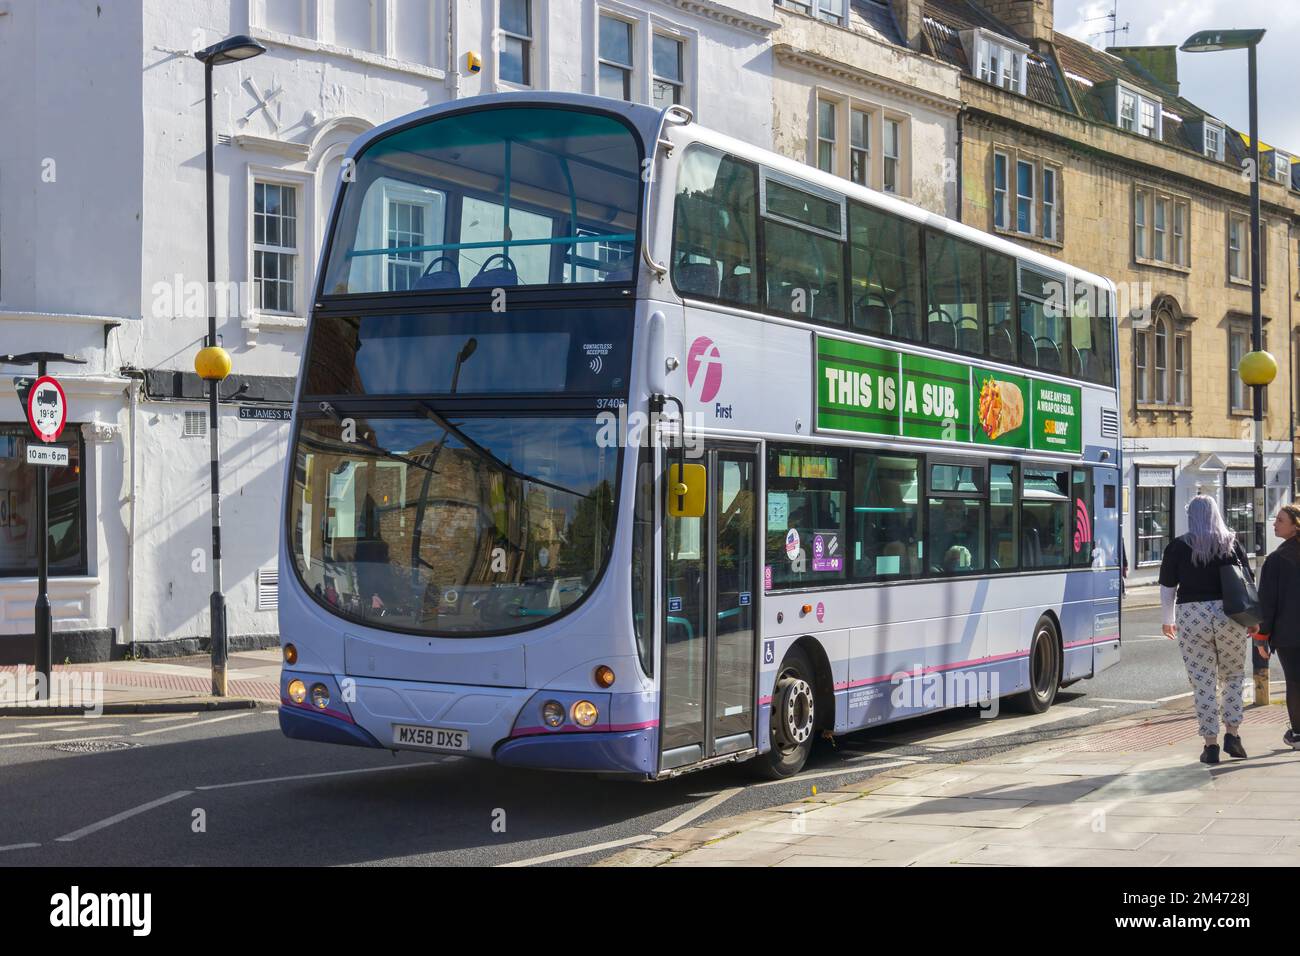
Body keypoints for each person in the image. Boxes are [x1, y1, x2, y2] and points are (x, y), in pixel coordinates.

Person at [1159, 495, 1256, 764]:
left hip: (1192, 615)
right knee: (1234, 675)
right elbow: (1248, 581)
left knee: (1202, 681)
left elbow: (1167, 588)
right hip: (1230, 614)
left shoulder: (1177, 547)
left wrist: (1168, 619)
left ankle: (1210, 744)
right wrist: (1253, 619)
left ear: (1191, 516)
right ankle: (1233, 735)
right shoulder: (1231, 543)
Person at [1252, 503, 1300, 749]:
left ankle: (1299, 734)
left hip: (1289, 633)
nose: (1274, 524)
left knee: (1295, 682)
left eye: (1280, 520)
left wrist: (1262, 638)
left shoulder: (1278, 559)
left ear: (1295, 526)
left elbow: (1267, 603)